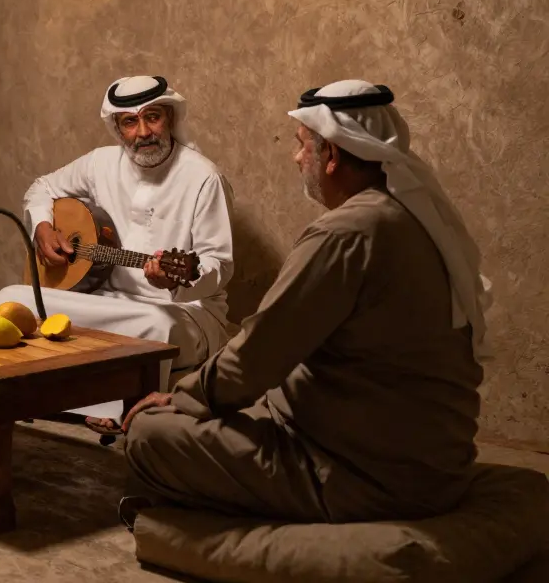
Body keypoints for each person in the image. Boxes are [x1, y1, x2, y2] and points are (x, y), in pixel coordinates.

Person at [118, 80, 493, 527]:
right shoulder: (410, 215)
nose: (297, 159)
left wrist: (178, 398)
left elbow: (255, 358)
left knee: (149, 432)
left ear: (331, 156)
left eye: (302, 147)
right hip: (435, 460)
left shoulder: (346, 233)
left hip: (366, 471)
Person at [0, 76, 234, 435]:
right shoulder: (100, 163)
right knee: (9, 299)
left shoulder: (203, 177)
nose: (143, 132)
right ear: (117, 128)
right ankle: (29, 399)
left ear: (169, 117)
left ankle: (118, 410)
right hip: (106, 299)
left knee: (155, 329)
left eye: (153, 117)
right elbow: (41, 188)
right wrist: (43, 227)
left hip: (179, 309)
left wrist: (176, 281)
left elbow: (219, 264)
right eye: (130, 122)